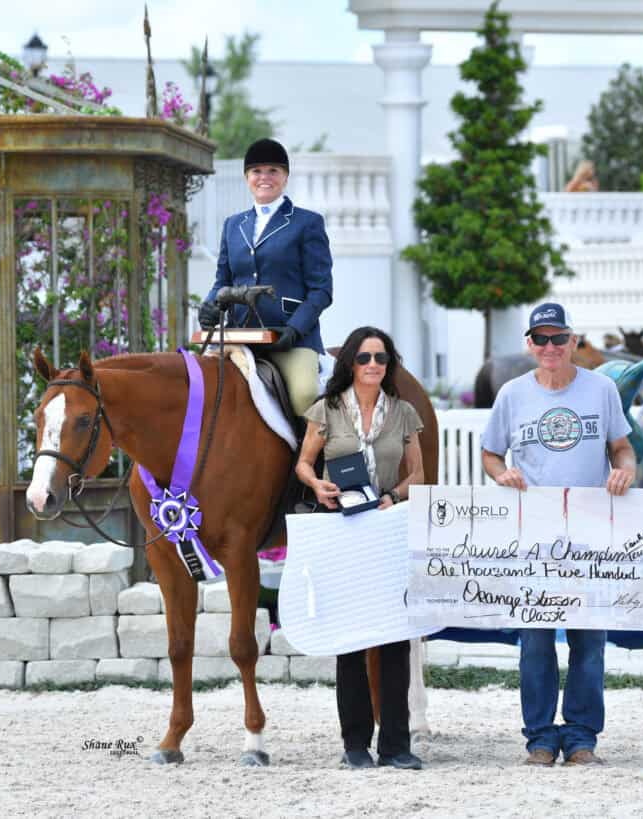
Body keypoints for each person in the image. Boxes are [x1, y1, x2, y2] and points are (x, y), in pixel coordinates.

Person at [480, 302, 636, 768]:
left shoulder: (602, 389)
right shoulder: (511, 394)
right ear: (529, 344)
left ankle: (582, 737)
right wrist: (501, 473)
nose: (550, 347)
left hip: (591, 534)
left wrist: (624, 472)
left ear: (572, 342)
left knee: (589, 638)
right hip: (533, 535)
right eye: (540, 339)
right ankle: (541, 739)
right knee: (535, 639)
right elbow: (490, 453)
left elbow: (622, 448)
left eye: (558, 338)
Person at [295, 326, 425, 771]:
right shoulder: (326, 410)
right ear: (351, 362)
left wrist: (393, 496)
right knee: (349, 640)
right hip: (342, 527)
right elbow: (303, 464)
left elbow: (419, 476)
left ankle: (396, 745)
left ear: (389, 365)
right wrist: (318, 484)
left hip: (387, 528)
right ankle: (355, 743)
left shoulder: (404, 413)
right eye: (366, 357)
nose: (373, 365)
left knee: (394, 640)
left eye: (382, 358)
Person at [199, 138, 332, 415]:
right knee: (201, 391)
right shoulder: (233, 225)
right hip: (240, 335)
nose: (265, 177)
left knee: (304, 394)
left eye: (273, 170)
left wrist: (295, 328)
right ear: (247, 177)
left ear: (285, 177)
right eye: (257, 171)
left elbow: (321, 290)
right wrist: (210, 305)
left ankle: (313, 459)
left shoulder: (307, 223)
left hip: (289, 339)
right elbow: (222, 280)